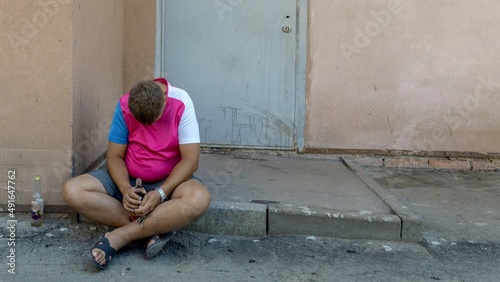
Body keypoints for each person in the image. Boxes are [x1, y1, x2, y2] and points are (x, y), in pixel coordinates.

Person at [62, 78, 211, 270]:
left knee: (199, 198)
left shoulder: (182, 101)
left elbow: (191, 161)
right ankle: (158, 226)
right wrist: (125, 189)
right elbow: (114, 156)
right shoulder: (125, 104)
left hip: (171, 181)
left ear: (165, 100)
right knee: (72, 190)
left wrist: (161, 193)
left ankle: (119, 237)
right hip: (130, 179)